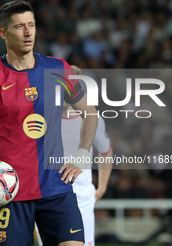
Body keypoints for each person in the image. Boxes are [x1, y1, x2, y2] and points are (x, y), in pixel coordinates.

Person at [0, 1, 98, 246]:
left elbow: (90, 113)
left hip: (57, 189)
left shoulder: (58, 68)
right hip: (12, 193)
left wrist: (81, 155)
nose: (28, 33)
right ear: (2, 33)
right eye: (19, 27)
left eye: (31, 25)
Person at [36, 65, 113, 246]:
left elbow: (105, 150)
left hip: (81, 196)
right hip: (48, 193)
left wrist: (101, 187)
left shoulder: (94, 119)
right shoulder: (40, 118)